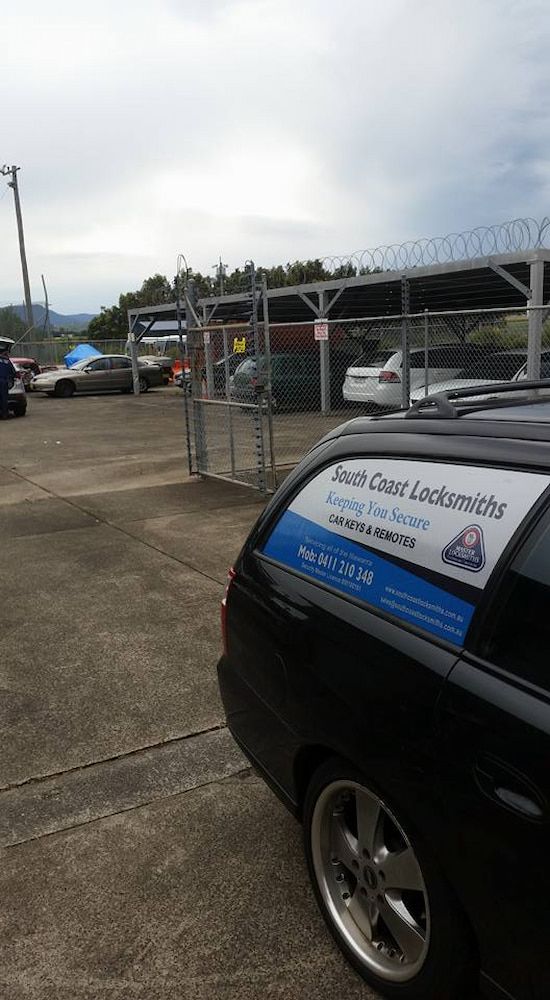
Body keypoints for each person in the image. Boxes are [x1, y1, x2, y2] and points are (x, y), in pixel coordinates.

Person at [0, 344, 16, 420]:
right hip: (4, 381)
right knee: (4, 398)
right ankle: (4, 414)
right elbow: (13, 372)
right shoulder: (7, 361)